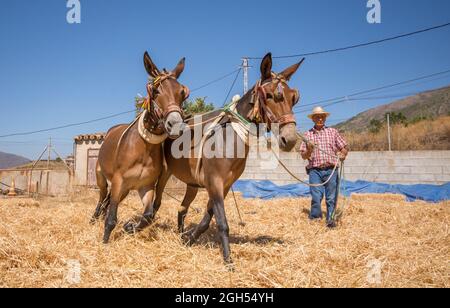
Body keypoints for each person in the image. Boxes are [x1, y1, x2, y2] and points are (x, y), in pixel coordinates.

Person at [299, 107, 349, 228]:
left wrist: (343, 154)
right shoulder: (307, 135)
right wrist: (309, 150)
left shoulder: (333, 132)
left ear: (325, 118)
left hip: (331, 169)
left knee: (331, 197)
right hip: (314, 170)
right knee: (316, 196)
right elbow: (303, 155)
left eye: (322, 116)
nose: (320, 118)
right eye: (317, 116)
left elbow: (344, 147)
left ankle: (331, 219)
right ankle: (316, 217)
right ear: (313, 119)